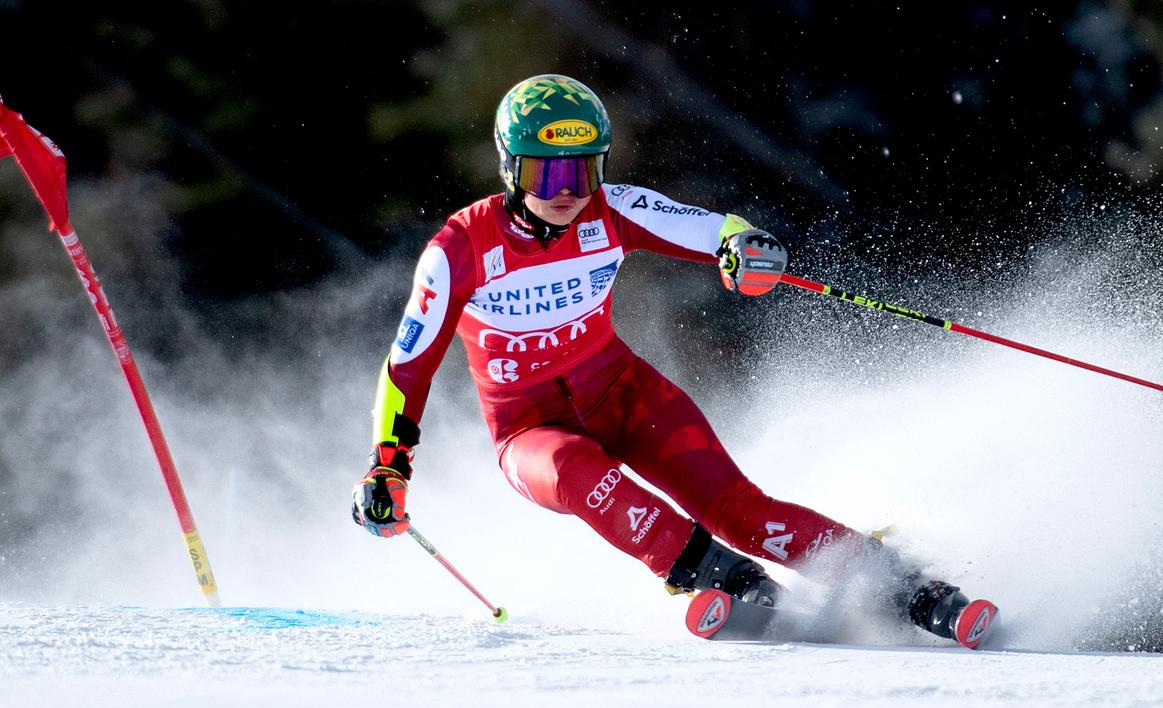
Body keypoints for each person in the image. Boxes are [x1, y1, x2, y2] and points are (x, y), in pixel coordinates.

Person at [351, 74, 996, 648]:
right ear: (509, 169)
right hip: (530, 431)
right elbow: (408, 366)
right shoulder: (460, 249)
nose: (568, 191)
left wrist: (741, 247)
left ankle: (909, 589)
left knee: (743, 510)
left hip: (622, 393)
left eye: (583, 170)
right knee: (581, 474)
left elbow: (708, 228)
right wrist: (388, 468)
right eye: (547, 173)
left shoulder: (611, 211)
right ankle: (723, 578)